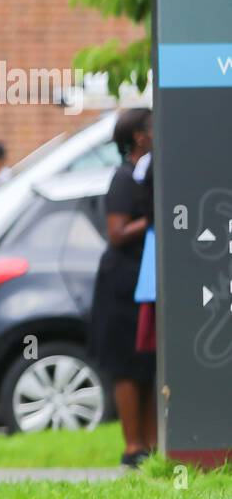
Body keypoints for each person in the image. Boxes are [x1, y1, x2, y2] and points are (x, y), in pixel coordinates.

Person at [89, 108, 156, 468]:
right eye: (152, 128)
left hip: (142, 282)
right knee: (127, 367)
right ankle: (133, 448)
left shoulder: (150, 175)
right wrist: (155, 217)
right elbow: (116, 233)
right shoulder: (124, 179)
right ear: (140, 137)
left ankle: (150, 447)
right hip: (121, 285)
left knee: (146, 365)